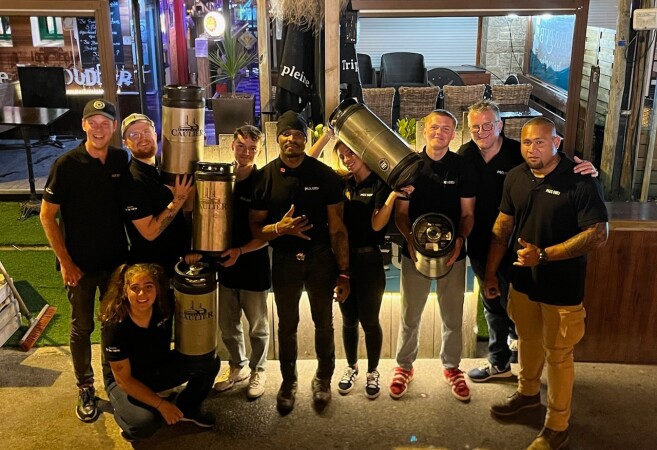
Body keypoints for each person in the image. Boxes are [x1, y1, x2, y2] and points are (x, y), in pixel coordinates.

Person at [483, 117, 608, 450]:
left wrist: (544, 255)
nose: (532, 149)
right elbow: (502, 227)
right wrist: (491, 273)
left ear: (556, 142)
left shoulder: (580, 179)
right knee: (527, 341)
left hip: (562, 287)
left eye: (540, 142)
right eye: (526, 142)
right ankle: (527, 396)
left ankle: (557, 426)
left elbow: (598, 234)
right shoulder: (516, 177)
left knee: (559, 355)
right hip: (523, 282)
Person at [458, 101, 599, 383]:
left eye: (488, 125)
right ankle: (499, 362)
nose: (482, 132)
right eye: (475, 127)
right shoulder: (466, 154)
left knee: (521, 309)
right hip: (482, 244)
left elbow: (556, 164)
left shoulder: (519, 152)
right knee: (493, 305)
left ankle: (526, 367)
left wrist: (588, 169)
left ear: (500, 126)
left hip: (521, 247)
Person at [249, 110, 350, 413]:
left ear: (305, 139)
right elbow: (256, 229)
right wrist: (281, 228)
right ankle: (288, 382)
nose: (291, 139)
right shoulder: (264, 177)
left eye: (297, 134)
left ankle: (323, 379)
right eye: (286, 133)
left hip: (320, 258)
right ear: (277, 138)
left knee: (324, 323)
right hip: (284, 261)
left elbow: (337, 228)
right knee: (287, 325)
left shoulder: (325, 176)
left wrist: (344, 272)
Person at [40, 99, 129, 422]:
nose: (99, 129)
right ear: (84, 125)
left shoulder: (121, 159)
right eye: (93, 122)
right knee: (82, 327)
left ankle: (113, 382)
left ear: (114, 127)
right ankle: (85, 387)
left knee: (113, 324)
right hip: (79, 266)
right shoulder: (66, 164)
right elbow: (47, 216)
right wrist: (66, 262)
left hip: (115, 264)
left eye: (106, 123)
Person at [390, 109, 476, 402]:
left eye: (446, 129)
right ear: (424, 130)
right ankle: (404, 367)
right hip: (414, 252)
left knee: (453, 315)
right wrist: (410, 241)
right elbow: (401, 214)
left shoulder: (462, 167)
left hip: (453, 253)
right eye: (434, 127)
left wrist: (460, 240)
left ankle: (452, 368)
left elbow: (468, 214)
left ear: (454, 135)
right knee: (409, 314)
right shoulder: (410, 167)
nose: (439, 133)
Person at [100, 263, 219, 442]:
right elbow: (123, 380)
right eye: (135, 288)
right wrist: (161, 405)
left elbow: (194, 293)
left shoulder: (165, 304)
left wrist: (193, 261)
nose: (142, 294)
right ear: (124, 290)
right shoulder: (114, 325)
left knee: (208, 361)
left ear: (157, 288)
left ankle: (188, 407)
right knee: (144, 424)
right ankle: (123, 412)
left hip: (157, 368)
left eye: (148, 287)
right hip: (125, 381)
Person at [331, 140, 412, 399]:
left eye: (351, 153)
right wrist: (327, 135)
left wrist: (391, 197)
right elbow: (308, 163)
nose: (347, 159)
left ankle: (372, 371)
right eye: (342, 156)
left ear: (364, 152)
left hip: (370, 261)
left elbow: (377, 225)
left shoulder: (380, 183)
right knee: (348, 320)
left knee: (369, 321)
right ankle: (351, 367)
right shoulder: (342, 183)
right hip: (343, 261)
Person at [211, 125, 271, 400]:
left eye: (252, 148)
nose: (246, 152)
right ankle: (238, 367)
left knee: (258, 327)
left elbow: (269, 233)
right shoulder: (222, 179)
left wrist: (240, 251)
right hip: (226, 265)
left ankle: (259, 370)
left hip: (254, 264)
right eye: (241, 146)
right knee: (228, 324)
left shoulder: (264, 181)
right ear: (232, 146)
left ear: (259, 150)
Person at [120, 113, 194, 277]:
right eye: (134, 135)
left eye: (146, 132)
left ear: (155, 135)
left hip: (178, 264)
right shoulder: (131, 180)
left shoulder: (165, 167)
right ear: (125, 143)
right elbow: (150, 232)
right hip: (152, 272)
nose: (142, 138)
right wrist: (179, 198)